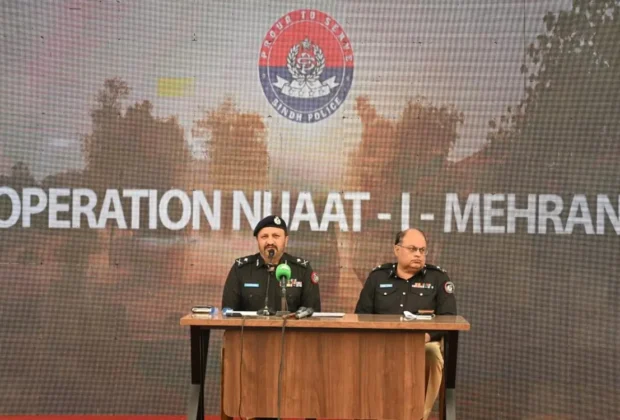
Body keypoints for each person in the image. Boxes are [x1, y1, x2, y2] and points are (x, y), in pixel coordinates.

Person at [354, 228, 456, 420]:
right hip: (381, 343)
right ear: (397, 249)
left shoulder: (438, 278)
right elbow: (361, 315)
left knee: (433, 354)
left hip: (423, 343)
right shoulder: (378, 277)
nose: (418, 254)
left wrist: (427, 336)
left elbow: (449, 319)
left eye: (422, 250)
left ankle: (419, 416)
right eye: (412, 249)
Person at [222, 214, 321, 313]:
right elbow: (228, 313)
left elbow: (313, 314)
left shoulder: (302, 270)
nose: (270, 242)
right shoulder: (241, 270)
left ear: (286, 240)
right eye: (264, 236)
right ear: (257, 240)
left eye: (276, 236)